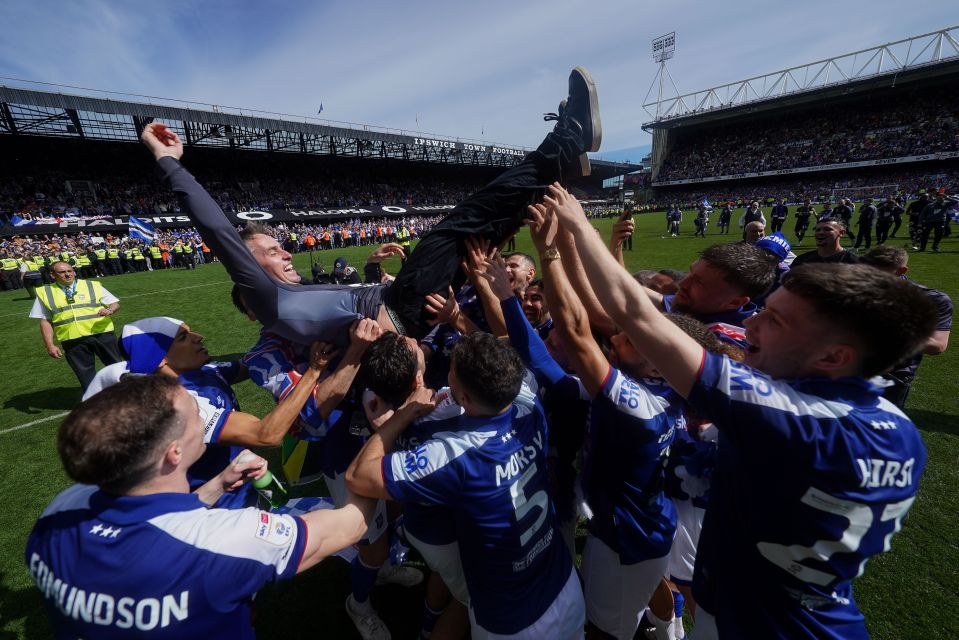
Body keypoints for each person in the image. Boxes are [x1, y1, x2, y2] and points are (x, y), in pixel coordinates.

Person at [545, 182, 937, 640]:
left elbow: (634, 314)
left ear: (833, 358)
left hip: (755, 624)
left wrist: (574, 224)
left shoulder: (789, 418)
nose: (750, 323)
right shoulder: (898, 428)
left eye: (775, 320)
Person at [142, 66, 602, 345]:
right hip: (402, 309)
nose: (285, 252)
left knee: (478, 235)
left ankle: (556, 167)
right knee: (457, 225)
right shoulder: (268, 299)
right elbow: (218, 231)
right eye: (271, 250)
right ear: (248, 265)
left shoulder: (290, 296)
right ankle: (564, 142)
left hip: (405, 307)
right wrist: (169, 163)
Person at [26, 375, 375, 640]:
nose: (209, 417)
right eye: (198, 414)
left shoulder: (59, 511)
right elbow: (352, 526)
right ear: (173, 453)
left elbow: (155, 527)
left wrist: (214, 487)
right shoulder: (224, 541)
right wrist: (376, 444)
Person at [347, 332, 586, 639]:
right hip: (563, 583)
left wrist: (398, 420)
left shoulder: (456, 457)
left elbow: (358, 476)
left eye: (452, 371)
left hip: (513, 619)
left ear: (464, 398)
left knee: (461, 597)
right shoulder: (529, 405)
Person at [859, 246, 952, 408]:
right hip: (847, 368)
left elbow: (937, 345)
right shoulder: (855, 290)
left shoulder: (932, 299)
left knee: (878, 429)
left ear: (901, 270)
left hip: (890, 377)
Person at [29, 260, 122, 391]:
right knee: (85, 376)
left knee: (117, 368)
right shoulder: (45, 292)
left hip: (102, 333)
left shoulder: (92, 285)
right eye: (62, 272)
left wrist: (110, 309)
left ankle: (129, 396)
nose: (67, 274)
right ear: (52, 275)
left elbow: (115, 303)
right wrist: (49, 345)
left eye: (70, 271)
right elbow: (45, 321)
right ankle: (95, 404)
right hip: (72, 340)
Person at [790, 218, 859, 266]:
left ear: (842, 233)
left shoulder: (854, 262)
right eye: (818, 230)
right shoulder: (801, 260)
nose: (820, 232)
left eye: (827, 229)